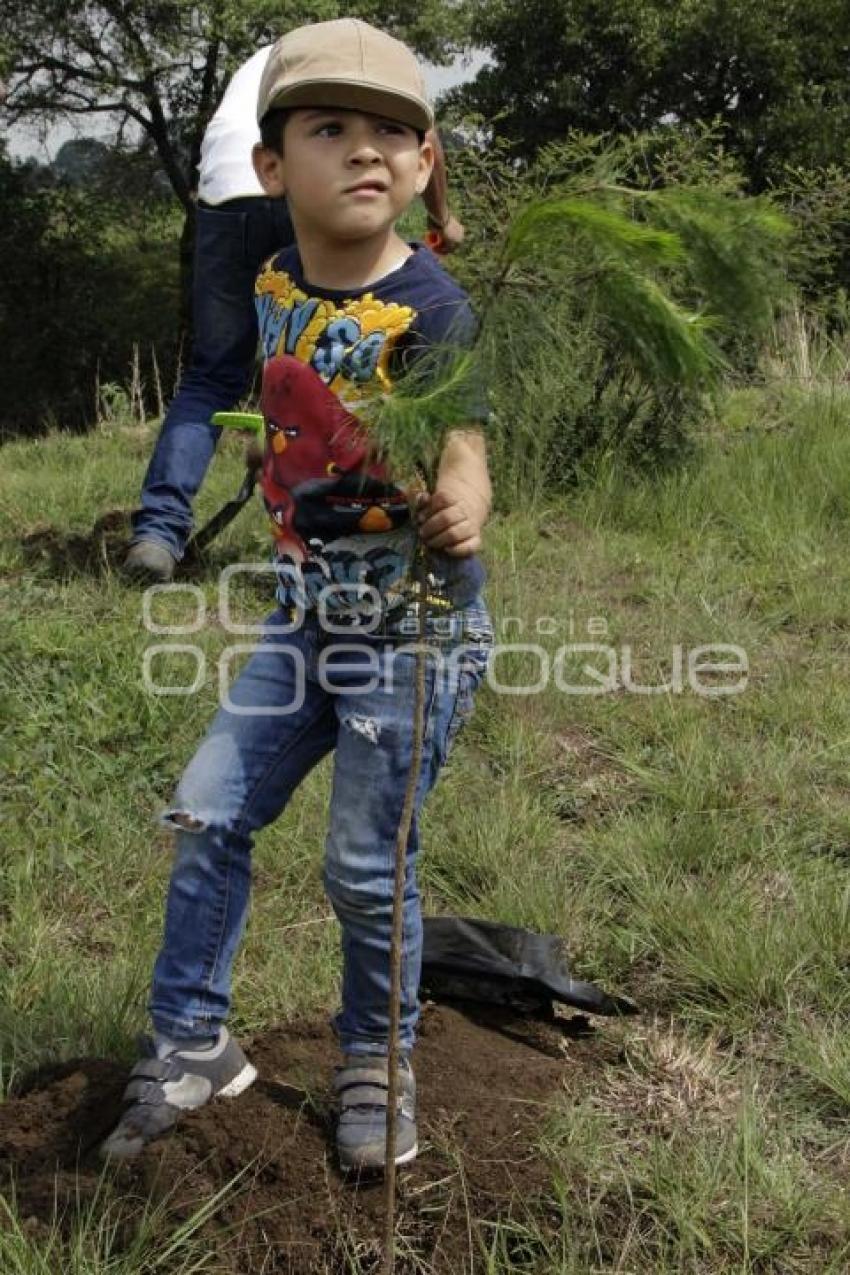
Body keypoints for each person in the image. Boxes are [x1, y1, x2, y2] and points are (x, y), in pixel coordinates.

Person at [102, 17, 492, 1174]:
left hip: (412, 635)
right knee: (206, 812)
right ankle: (192, 1044)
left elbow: (466, 445)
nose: (366, 149)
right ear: (271, 169)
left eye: (392, 133)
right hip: (304, 621)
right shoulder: (273, 280)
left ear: (423, 164)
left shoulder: (434, 309)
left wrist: (460, 500)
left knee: (366, 871)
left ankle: (376, 1059)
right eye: (330, 129)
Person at [125, 42, 465, 583]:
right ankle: (332, 542)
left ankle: (158, 533)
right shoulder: (370, 57)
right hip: (307, 189)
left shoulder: (271, 56)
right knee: (338, 367)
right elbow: (426, 137)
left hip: (229, 194)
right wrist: (443, 219)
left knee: (212, 374)